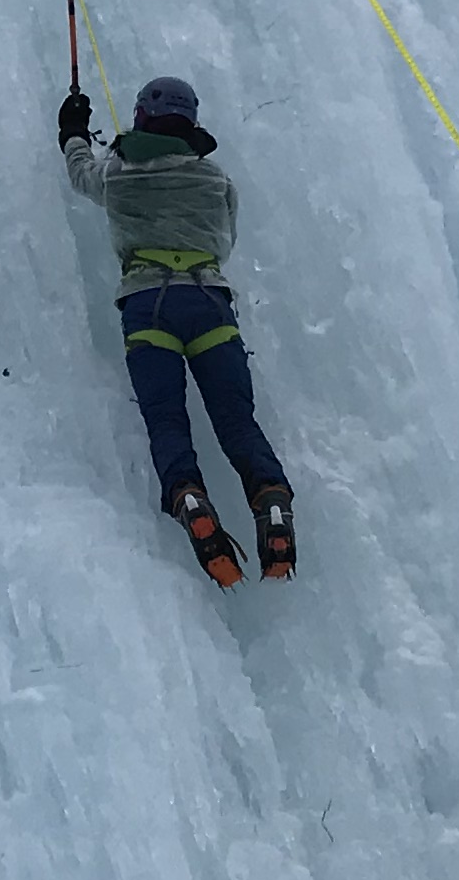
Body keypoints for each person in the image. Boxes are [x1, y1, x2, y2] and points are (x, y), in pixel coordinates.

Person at [59, 72, 295, 588]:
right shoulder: (215, 181)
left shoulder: (118, 176)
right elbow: (226, 238)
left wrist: (74, 127)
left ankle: (188, 494)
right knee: (237, 422)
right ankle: (271, 497)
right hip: (209, 301)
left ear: (142, 116)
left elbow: (81, 173)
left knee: (167, 422)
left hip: (147, 305)